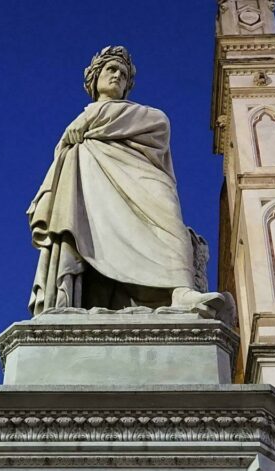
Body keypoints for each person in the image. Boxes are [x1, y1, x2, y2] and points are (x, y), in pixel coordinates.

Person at [26, 46, 224, 314]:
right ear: (94, 79)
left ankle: (180, 290)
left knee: (168, 222)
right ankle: (74, 296)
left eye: (123, 73)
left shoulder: (145, 115)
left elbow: (159, 126)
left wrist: (91, 119)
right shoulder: (79, 133)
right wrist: (86, 125)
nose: (117, 75)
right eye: (111, 69)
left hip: (142, 179)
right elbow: (62, 154)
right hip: (93, 188)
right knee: (88, 234)